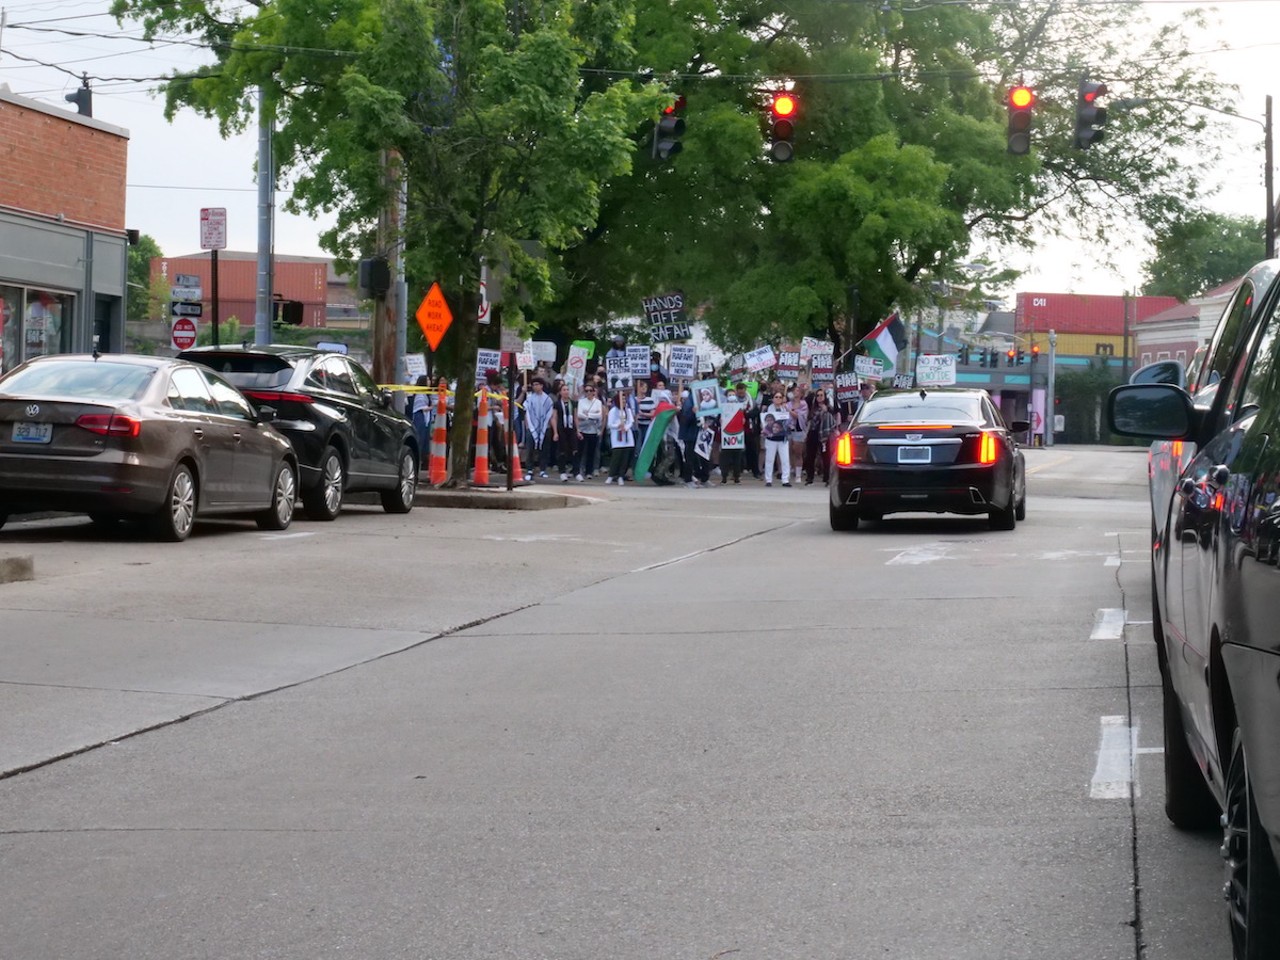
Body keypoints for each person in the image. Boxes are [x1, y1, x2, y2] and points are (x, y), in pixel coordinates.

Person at [523, 378, 556, 478]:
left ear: (542, 385)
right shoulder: (529, 398)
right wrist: (528, 426)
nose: (535, 386)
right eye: (534, 385)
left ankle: (543, 469)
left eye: (537, 384)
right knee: (530, 449)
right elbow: (527, 413)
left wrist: (554, 430)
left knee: (544, 449)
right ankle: (529, 469)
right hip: (532, 427)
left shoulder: (547, 399)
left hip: (545, 427)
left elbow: (550, 414)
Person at [760, 389, 793, 487]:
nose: (778, 399)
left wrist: (787, 410)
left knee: (785, 459)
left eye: (780, 397)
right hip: (771, 438)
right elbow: (764, 423)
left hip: (782, 438)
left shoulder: (785, 409)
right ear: (773, 399)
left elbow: (790, 421)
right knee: (769, 459)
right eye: (776, 397)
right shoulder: (768, 409)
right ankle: (768, 480)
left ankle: (785, 479)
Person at [804, 388, 836, 485]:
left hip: (824, 434)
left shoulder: (829, 407)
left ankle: (827, 477)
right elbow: (809, 420)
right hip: (813, 432)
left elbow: (832, 420)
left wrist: (826, 411)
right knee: (810, 456)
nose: (819, 397)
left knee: (825, 457)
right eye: (817, 395)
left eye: (821, 395)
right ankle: (810, 477)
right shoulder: (813, 408)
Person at [604, 391, 635, 486]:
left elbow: (631, 421)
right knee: (616, 457)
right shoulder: (613, 411)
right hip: (617, 436)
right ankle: (611, 475)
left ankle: (621, 476)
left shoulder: (628, 410)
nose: (624, 401)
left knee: (625, 458)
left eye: (625, 399)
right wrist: (618, 425)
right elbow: (610, 424)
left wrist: (626, 427)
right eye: (622, 399)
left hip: (627, 436)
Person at [575, 382, 604, 481]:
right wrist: (592, 414)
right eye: (586, 391)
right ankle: (579, 470)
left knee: (591, 452)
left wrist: (587, 414)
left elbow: (599, 415)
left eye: (590, 391)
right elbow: (579, 414)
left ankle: (589, 471)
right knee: (581, 451)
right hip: (583, 429)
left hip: (594, 430)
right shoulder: (581, 401)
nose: (588, 393)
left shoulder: (598, 402)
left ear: (593, 392)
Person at [553, 383, 578, 481]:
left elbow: (575, 417)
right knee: (562, 451)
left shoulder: (573, 403)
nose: (566, 391)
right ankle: (562, 471)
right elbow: (554, 417)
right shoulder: (557, 403)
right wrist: (555, 432)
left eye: (567, 389)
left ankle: (576, 471)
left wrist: (578, 430)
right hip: (561, 428)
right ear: (560, 392)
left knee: (575, 450)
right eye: (564, 390)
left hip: (571, 428)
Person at [410, 375, 433, 461]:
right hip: (420, 417)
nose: (429, 381)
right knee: (420, 438)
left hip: (424, 417)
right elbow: (421, 407)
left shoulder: (425, 393)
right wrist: (432, 407)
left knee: (424, 439)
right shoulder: (420, 394)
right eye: (427, 380)